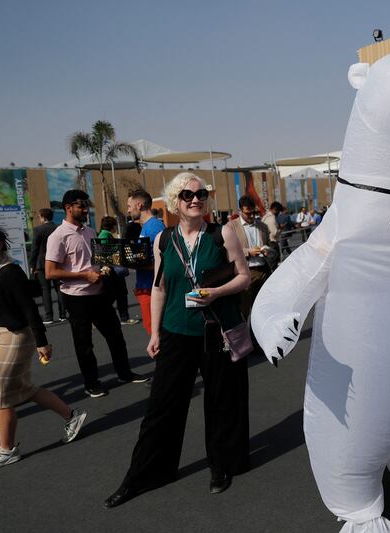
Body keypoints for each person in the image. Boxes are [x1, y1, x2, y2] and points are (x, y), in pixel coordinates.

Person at [104, 172, 251, 508]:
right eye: (187, 195)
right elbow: (159, 287)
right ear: (175, 202)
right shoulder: (163, 240)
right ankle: (145, 474)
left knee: (221, 402)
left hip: (217, 330)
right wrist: (154, 332)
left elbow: (243, 277)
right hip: (175, 332)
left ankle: (222, 466)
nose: (195, 199)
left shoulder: (221, 233)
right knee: (162, 406)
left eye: (200, 194)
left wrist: (216, 292)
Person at [0, 227, 87, 471]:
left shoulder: (10, 272)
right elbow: (4, 307)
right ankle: (71, 416)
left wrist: (42, 342)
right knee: (24, 389)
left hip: (16, 338)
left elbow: (29, 309)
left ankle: (7, 450)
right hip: (6, 334)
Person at [45, 189, 148, 398]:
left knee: (116, 336)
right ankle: (91, 383)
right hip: (76, 298)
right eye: (81, 206)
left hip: (99, 294)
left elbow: (103, 259)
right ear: (68, 208)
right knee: (84, 344)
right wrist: (84, 276)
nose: (85, 210)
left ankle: (124, 373)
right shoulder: (58, 236)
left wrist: (106, 266)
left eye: (86, 206)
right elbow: (50, 272)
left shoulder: (91, 232)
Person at [229, 195, 275, 319]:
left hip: (263, 271)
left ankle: (258, 336)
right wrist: (248, 252)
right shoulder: (231, 227)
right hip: (244, 272)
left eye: (253, 212)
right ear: (240, 211)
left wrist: (267, 250)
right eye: (248, 213)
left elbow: (270, 245)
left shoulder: (262, 226)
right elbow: (228, 251)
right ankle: (244, 336)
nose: (252, 216)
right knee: (244, 310)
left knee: (262, 309)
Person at [127, 189, 166, 335]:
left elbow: (163, 262)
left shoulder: (154, 227)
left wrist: (131, 263)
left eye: (129, 205)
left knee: (156, 333)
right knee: (152, 331)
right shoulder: (147, 226)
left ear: (139, 205)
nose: (128, 210)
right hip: (145, 287)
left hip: (152, 290)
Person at [29, 208, 67, 324]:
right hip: (57, 262)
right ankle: (63, 314)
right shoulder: (58, 228)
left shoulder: (38, 230)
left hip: (42, 263)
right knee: (59, 289)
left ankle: (49, 317)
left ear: (43, 217)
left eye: (40, 217)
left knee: (46, 290)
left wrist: (32, 264)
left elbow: (34, 249)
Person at [98, 216, 137, 326]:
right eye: (115, 225)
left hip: (109, 271)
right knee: (118, 295)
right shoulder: (105, 236)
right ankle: (123, 318)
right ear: (112, 226)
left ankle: (104, 318)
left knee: (116, 295)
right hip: (112, 271)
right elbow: (104, 255)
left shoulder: (103, 234)